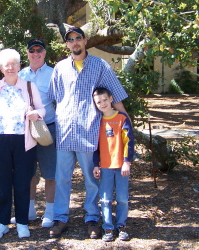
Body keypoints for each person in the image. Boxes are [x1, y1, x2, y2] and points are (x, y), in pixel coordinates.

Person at [48, 26, 129, 239]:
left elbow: (116, 95)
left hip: (89, 133)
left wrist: (126, 125)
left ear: (85, 41)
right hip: (65, 134)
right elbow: (56, 98)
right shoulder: (60, 68)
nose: (74, 42)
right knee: (62, 178)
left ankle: (92, 218)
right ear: (67, 44)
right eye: (70, 40)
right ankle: (60, 218)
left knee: (91, 179)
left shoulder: (100, 66)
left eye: (78, 38)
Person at [0, 48, 46, 239]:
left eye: (14, 64)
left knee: (22, 183)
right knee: (2, 183)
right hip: (0, 140)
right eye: (6, 65)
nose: (11, 68)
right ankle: (2, 222)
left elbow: (43, 109)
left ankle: (22, 223)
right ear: (1, 67)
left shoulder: (28, 86)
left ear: (19, 66)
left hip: (24, 141)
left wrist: (37, 114)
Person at [17, 38, 57, 228]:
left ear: (45, 53)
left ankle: (50, 212)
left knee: (50, 172)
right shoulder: (20, 74)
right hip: (25, 131)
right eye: (32, 50)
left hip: (48, 128)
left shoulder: (53, 73)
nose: (36, 54)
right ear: (27, 53)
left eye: (39, 50)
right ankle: (30, 210)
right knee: (28, 172)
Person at [92, 87, 134, 242]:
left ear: (111, 99)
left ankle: (121, 225)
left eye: (104, 100)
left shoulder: (122, 118)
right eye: (98, 102)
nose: (102, 104)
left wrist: (127, 162)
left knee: (122, 198)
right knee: (105, 199)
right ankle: (108, 227)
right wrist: (96, 164)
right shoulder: (97, 121)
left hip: (121, 165)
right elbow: (95, 145)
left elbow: (128, 142)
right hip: (105, 167)